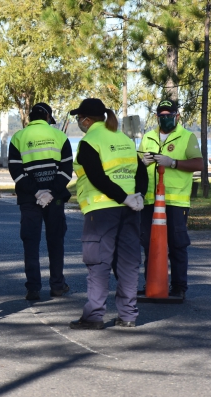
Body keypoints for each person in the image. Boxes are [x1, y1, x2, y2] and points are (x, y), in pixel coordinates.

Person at [69, 98, 148, 329]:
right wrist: (137, 196)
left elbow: (96, 177)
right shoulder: (123, 138)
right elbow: (141, 171)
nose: (78, 122)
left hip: (101, 210)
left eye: (79, 118)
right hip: (130, 209)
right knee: (128, 263)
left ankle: (93, 316)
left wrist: (122, 197)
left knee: (98, 264)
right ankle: (128, 315)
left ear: (87, 120)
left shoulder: (89, 142)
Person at [138, 99, 203, 299]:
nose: (165, 118)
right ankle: (153, 283)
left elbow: (199, 163)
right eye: (162, 115)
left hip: (175, 201)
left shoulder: (186, 137)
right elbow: (136, 165)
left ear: (177, 116)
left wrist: (173, 162)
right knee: (150, 243)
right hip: (150, 199)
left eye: (169, 115)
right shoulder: (148, 137)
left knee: (177, 244)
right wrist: (141, 162)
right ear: (157, 117)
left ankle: (179, 287)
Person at [7, 103, 73, 301]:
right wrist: (51, 192)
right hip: (56, 198)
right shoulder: (60, 137)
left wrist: (37, 192)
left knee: (31, 243)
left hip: (29, 198)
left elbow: (16, 171)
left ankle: (33, 289)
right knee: (56, 241)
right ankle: (57, 286)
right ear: (48, 118)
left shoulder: (18, 137)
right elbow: (66, 171)